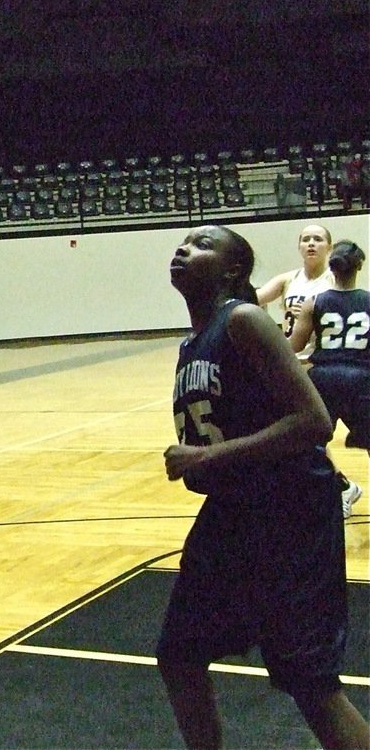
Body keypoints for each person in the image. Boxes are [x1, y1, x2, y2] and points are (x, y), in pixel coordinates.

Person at [159, 224, 369, 750]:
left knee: (307, 679)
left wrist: (208, 455)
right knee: (179, 655)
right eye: (184, 242)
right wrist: (207, 465)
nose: (185, 249)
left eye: (203, 245)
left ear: (234, 270)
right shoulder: (192, 343)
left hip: (291, 512)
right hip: (234, 513)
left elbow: (314, 422)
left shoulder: (245, 320)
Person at [290, 240, 368, 519]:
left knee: (313, 445)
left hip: (323, 379)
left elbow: (294, 347)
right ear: (359, 266)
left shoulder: (315, 302)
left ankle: (335, 493)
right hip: (362, 379)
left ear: (332, 267)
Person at [256, 223, 335, 360]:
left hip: (321, 358)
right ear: (299, 247)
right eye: (306, 240)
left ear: (329, 248)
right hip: (292, 358)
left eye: (317, 239)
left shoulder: (335, 279)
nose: (311, 244)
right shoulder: (287, 279)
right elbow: (251, 299)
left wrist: (310, 315)